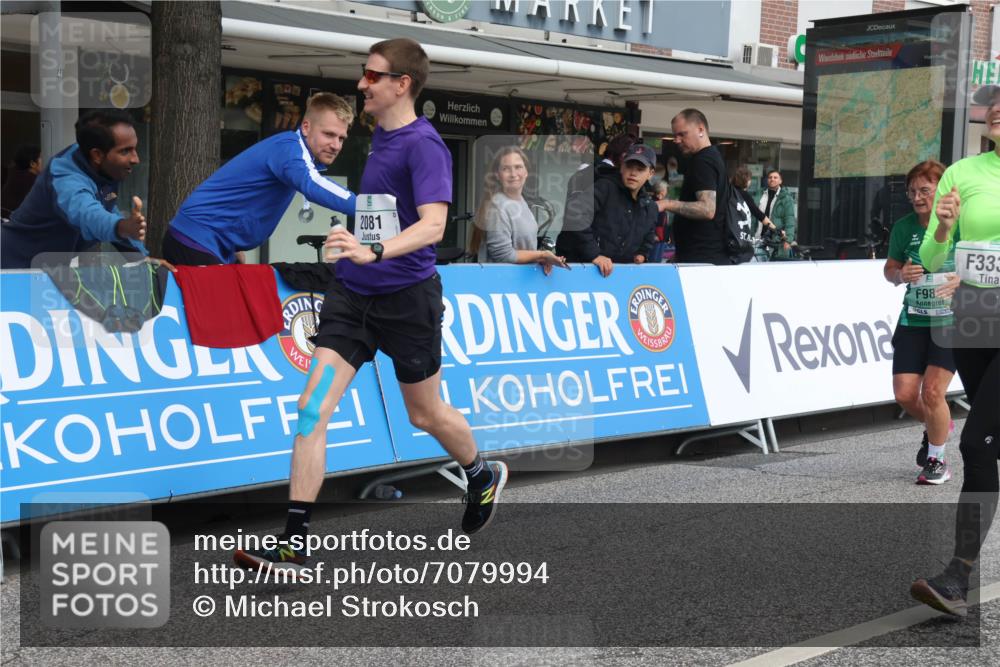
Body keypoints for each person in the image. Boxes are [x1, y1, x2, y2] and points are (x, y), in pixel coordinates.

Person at [233, 38, 508, 571]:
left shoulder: (424, 145)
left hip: (408, 299)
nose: (362, 84)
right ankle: (295, 542)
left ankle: (480, 473)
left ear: (401, 84)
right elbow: (382, 210)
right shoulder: (380, 135)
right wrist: (354, 237)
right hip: (355, 293)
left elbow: (431, 224)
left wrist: (373, 247)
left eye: (371, 75)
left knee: (424, 413)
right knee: (311, 408)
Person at [910, 84, 1000, 617]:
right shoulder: (962, 174)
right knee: (987, 445)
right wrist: (943, 226)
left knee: (977, 443)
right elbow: (931, 253)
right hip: (975, 316)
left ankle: (957, 577)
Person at [163, 92, 356, 265]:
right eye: (329, 134)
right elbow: (313, 185)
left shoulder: (291, 150)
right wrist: (370, 209)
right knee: (222, 305)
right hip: (197, 240)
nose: (336, 145)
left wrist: (233, 246)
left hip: (211, 242)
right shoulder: (289, 150)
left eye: (341, 138)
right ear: (306, 127)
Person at [883, 160, 955, 485]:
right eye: (912, 191)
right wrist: (900, 274)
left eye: (925, 190)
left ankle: (937, 460)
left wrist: (961, 280)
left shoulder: (960, 224)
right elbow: (889, 269)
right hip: (913, 318)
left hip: (953, 320)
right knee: (904, 394)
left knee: (933, 392)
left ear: (940, 190)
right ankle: (936, 426)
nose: (917, 196)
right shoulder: (904, 227)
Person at [0, 110, 147, 269]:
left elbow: (108, 210)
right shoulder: (65, 179)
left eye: (135, 148)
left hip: (47, 268)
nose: (135, 159)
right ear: (97, 155)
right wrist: (121, 227)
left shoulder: (96, 161)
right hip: (13, 269)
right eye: (125, 151)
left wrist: (142, 259)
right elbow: (88, 214)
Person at [558, 143, 659, 278]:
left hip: (618, 277)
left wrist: (642, 253)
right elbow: (575, 214)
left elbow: (649, 233)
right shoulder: (604, 187)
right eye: (629, 166)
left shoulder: (649, 206)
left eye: (640, 169)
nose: (633, 173)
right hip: (583, 270)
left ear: (650, 173)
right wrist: (594, 254)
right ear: (621, 166)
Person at [468, 145, 567, 273]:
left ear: (526, 172)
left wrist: (541, 259)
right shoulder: (497, 206)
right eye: (506, 169)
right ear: (498, 175)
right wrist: (541, 255)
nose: (513, 174)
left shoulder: (521, 202)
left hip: (519, 286)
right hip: (500, 285)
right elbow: (503, 255)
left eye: (518, 167)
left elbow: (523, 251)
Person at [660, 109, 729, 265]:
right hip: (700, 256)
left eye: (682, 134)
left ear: (700, 130)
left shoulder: (703, 161)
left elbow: (707, 209)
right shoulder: (711, 157)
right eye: (675, 135)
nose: (676, 140)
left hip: (702, 258)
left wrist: (666, 203)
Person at [758, 169, 796, 257]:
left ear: (780, 181)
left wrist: (788, 240)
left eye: (775, 177)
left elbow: (790, 220)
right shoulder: (760, 194)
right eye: (770, 177)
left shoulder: (786, 198)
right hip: (758, 238)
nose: (772, 179)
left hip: (775, 240)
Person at [1, 143, 41, 218]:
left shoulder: (11, 175)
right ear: (32, 164)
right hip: (17, 223)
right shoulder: (34, 182)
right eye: (40, 158)